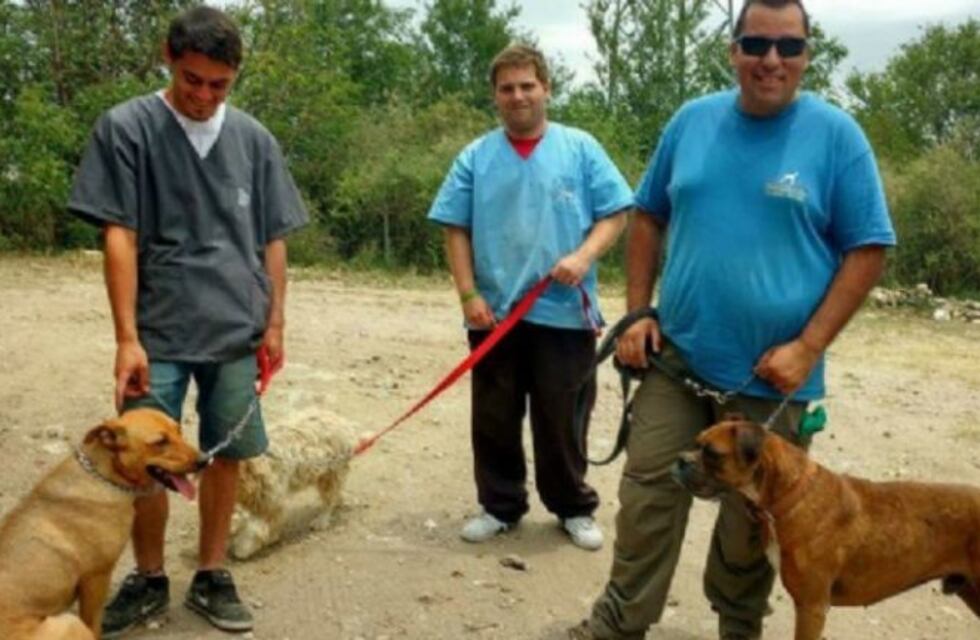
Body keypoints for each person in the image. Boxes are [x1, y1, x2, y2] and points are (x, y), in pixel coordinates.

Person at [571, 0, 896, 638]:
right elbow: (648, 215)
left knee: (756, 521)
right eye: (755, 44)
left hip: (774, 379)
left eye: (788, 47)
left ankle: (739, 630)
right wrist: (639, 311)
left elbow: (868, 249)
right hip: (679, 358)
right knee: (648, 495)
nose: (771, 60)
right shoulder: (692, 122)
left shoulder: (837, 137)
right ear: (733, 50)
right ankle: (618, 624)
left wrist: (809, 345)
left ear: (807, 54)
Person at [67, 6, 308, 637]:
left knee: (221, 455)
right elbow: (119, 235)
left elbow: (273, 240)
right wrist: (126, 339)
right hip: (158, 329)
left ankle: (211, 572)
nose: (203, 96)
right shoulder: (127, 129)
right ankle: (147, 577)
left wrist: (275, 324)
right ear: (168, 59)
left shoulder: (255, 140)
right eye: (192, 80)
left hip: (236, 327)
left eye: (218, 85)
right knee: (145, 459)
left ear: (234, 78)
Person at [427, 44, 633, 551]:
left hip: (565, 311)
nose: (518, 96)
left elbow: (617, 213)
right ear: (495, 95)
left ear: (546, 89)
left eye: (527, 85)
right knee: (494, 417)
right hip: (494, 312)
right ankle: (499, 506)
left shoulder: (581, 148)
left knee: (562, 418)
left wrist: (584, 256)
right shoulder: (475, 156)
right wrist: (468, 293)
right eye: (507, 88)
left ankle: (572, 507)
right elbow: (454, 227)